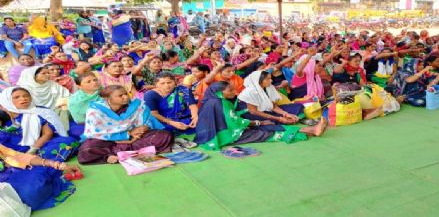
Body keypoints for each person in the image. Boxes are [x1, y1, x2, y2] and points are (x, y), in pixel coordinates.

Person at [194, 81, 326, 151]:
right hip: (228, 135)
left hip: (213, 133)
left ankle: (311, 130)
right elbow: (237, 122)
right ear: (220, 92)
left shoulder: (209, 100)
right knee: (267, 132)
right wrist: (259, 123)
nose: (234, 92)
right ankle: (312, 130)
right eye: (230, 90)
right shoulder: (221, 103)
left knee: (268, 126)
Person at [77, 85, 173, 165]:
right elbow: (95, 132)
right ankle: (121, 154)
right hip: (108, 140)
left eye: (126, 94)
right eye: (120, 95)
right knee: (87, 149)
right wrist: (128, 134)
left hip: (135, 139)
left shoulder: (137, 105)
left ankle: (117, 154)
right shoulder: (95, 111)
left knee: (165, 135)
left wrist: (140, 131)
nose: (126, 97)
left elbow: (147, 123)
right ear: (107, 98)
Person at [0, 87, 78, 162]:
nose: (23, 98)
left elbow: (47, 134)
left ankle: (31, 159)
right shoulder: (6, 114)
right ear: (7, 101)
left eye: (26, 95)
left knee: (67, 142)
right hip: (16, 145)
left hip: (40, 145)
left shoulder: (41, 111)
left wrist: (31, 151)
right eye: (17, 97)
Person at [0, 143, 79, 211]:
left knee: (34, 189)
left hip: (15, 175)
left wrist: (55, 164)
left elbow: (17, 156)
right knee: (24, 195)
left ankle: (57, 173)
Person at [238, 71, 305, 126]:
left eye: (270, 78)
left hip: (267, 110)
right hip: (251, 114)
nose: (271, 80)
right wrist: (279, 118)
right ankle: (279, 121)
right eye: (268, 79)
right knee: (271, 121)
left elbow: (273, 106)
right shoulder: (250, 92)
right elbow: (253, 111)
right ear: (259, 81)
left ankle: (284, 119)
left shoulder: (269, 88)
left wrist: (285, 113)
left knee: (298, 106)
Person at [67, 72, 101, 137]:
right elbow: (79, 120)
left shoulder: (105, 92)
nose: (94, 82)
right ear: (79, 86)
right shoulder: (75, 100)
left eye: (95, 80)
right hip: (85, 123)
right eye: (89, 82)